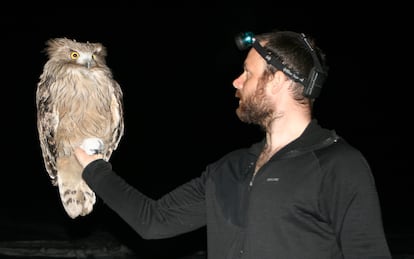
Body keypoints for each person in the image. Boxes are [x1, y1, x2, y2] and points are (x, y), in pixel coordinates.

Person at [74, 29, 392, 258]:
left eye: (247, 73)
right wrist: (93, 168)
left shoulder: (337, 164)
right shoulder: (231, 169)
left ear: (279, 80)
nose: (236, 82)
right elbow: (153, 221)